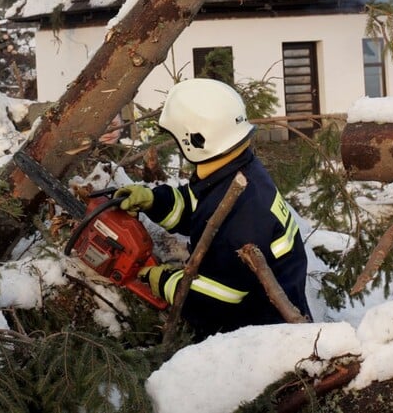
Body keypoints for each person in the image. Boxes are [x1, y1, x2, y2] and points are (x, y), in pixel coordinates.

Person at [113, 78, 311, 339]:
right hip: (254, 315)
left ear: (195, 140)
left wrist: (163, 281)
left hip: (262, 336)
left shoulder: (243, 212)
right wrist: (154, 201)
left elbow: (215, 302)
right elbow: (199, 208)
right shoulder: (235, 171)